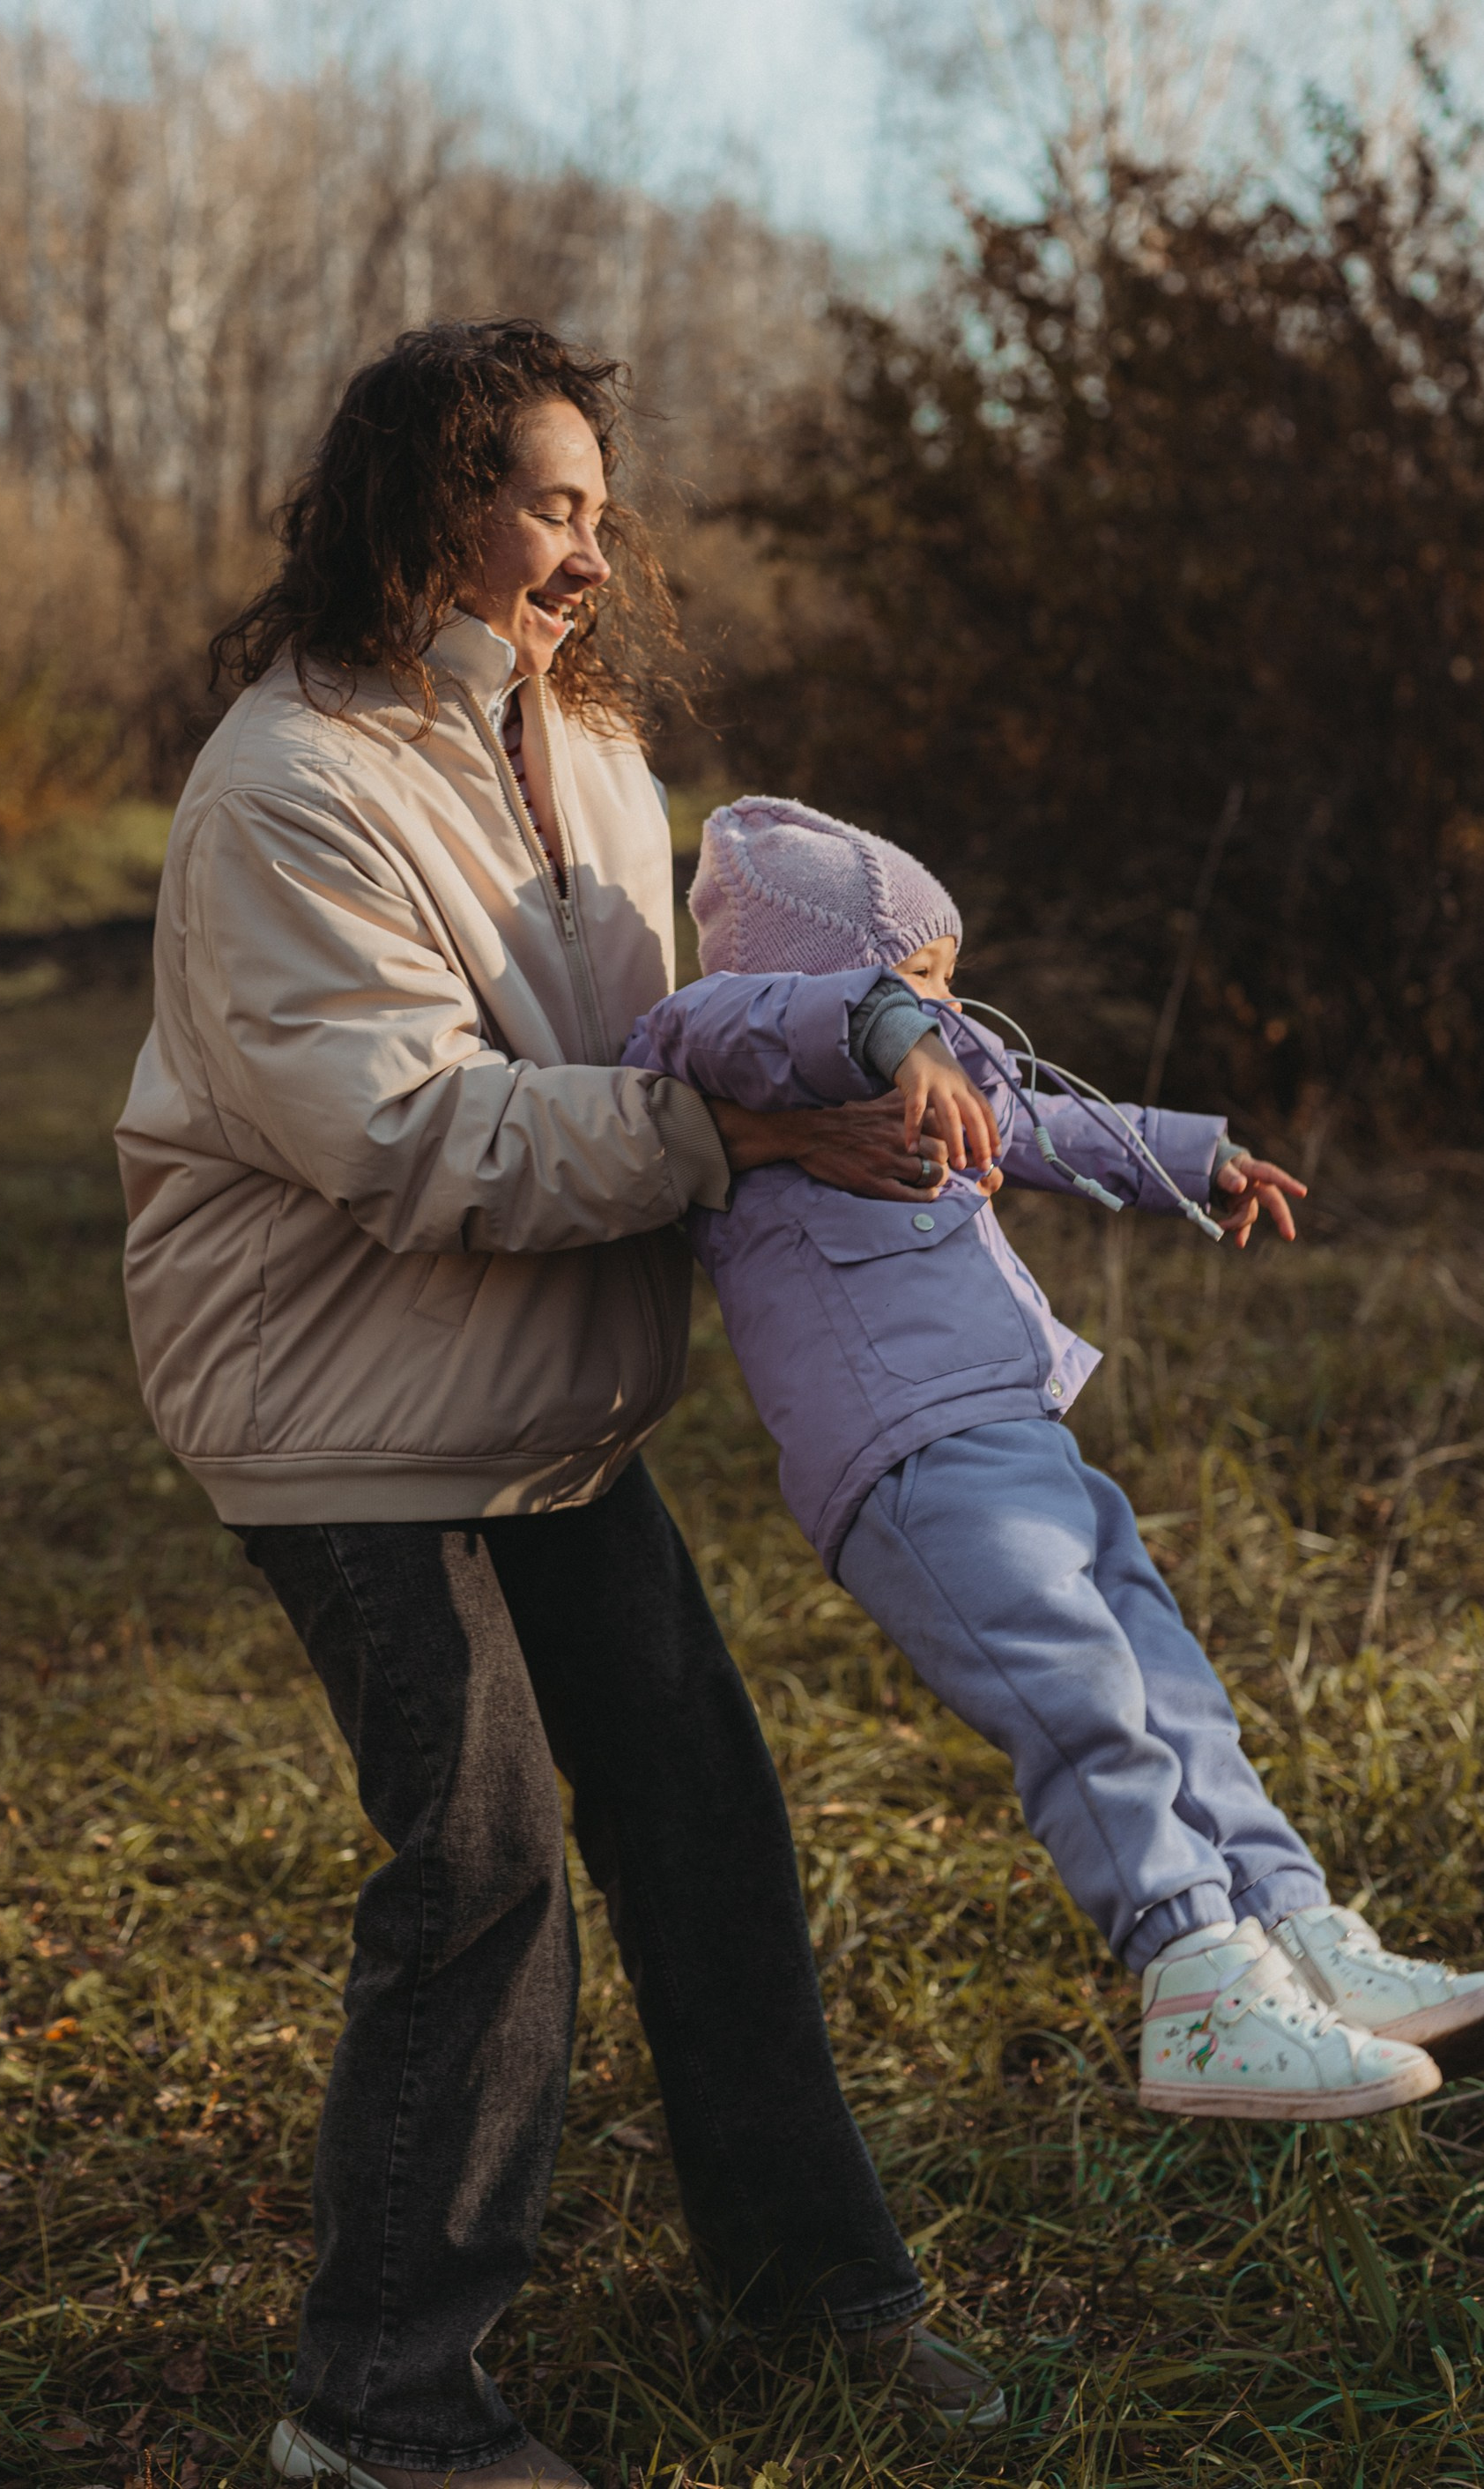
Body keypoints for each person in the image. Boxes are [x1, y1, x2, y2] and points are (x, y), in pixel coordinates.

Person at [114, 325, 1009, 2488]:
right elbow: (421, 1139)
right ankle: (385, 2409)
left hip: (538, 1402)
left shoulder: (585, 745)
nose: (592, 553)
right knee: (488, 1848)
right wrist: (746, 1151)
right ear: (431, 505)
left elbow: (672, 1042)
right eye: (551, 504)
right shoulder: (284, 787)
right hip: (338, 1412)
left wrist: (861, 1050)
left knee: (698, 1803)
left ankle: (827, 2301)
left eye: (605, 510)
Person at [622, 793, 1484, 2121]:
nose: (945, 1010)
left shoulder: (929, 1068)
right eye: (924, 980)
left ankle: (1295, 1930)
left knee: (1170, 1684)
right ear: (828, 977)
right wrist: (887, 1023)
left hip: (1016, 1431)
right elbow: (765, 1019)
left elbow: (1050, 1125)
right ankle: (1195, 1980)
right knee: (1081, 1703)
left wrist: (1202, 1160)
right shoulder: (723, 1042)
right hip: (911, 1454)